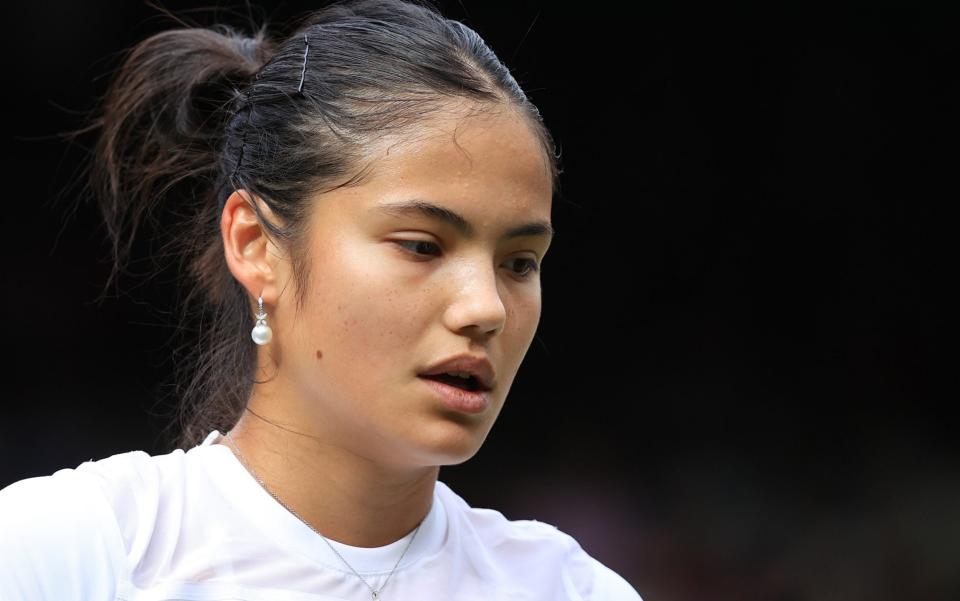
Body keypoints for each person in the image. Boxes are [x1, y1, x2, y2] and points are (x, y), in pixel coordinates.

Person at [0, 1, 643, 599]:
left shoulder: (568, 589)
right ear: (255, 245)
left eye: (520, 262)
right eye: (422, 246)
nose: (486, 308)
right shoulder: (74, 553)